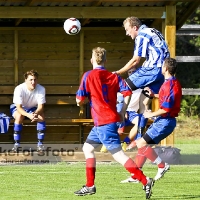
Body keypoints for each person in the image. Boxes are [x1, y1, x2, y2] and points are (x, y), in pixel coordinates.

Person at [74, 47, 154, 199]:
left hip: (104, 122)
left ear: (91, 60)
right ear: (105, 61)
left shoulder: (88, 76)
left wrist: (81, 102)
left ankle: (145, 180)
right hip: (103, 123)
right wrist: (122, 111)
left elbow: (79, 99)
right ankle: (90, 185)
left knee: (119, 155)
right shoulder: (113, 76)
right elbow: (127, 92)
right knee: (87, 148)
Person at [120, 57, 182, 183]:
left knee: (141, 144)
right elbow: (167, 98)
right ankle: (136, 175)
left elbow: (166, 109)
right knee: (142, 144)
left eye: (161, 67)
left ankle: (162, 165)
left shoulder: (169, 85)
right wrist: (154, 95)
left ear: (165, 69)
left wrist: (150, 114)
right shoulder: (173, 82)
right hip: (164, 121)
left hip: (165, 121)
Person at [115, 16, 170, 137]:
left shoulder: (141, 35)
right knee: (144, 103)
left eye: (127, 29)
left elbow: (135, 61)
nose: (127, 33)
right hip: (162, 71)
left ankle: (120, 122)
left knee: (123, 88)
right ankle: (140, 137)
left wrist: (119, 72)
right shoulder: (153, 31)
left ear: (135, 27)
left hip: (152, 69)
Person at [10, 69, 46, 152]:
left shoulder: (41, 89)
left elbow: (41, 107)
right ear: (25, 80)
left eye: (35, 79)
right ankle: (16, 145)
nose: (33, 82)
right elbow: (18, 108)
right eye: (31, 80)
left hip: (32, 108)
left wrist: (35, 114)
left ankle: (40, 145)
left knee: (41, 116)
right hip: (18, 108)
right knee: (19, 116)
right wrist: (29, 115)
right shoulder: (19, 89)